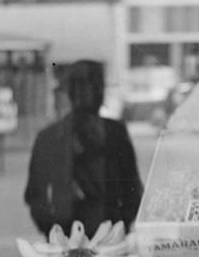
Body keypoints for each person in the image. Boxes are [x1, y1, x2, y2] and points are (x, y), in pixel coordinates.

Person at [24, 59, 143, 240]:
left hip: (109, 240)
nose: (93, 93)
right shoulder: (48, 138)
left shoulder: (115, 132)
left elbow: (133, 189)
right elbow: (35, 196)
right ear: (71, 91)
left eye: (97, 86)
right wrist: (55, 234)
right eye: (83, 86)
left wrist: (120, 226)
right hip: (66, 239)